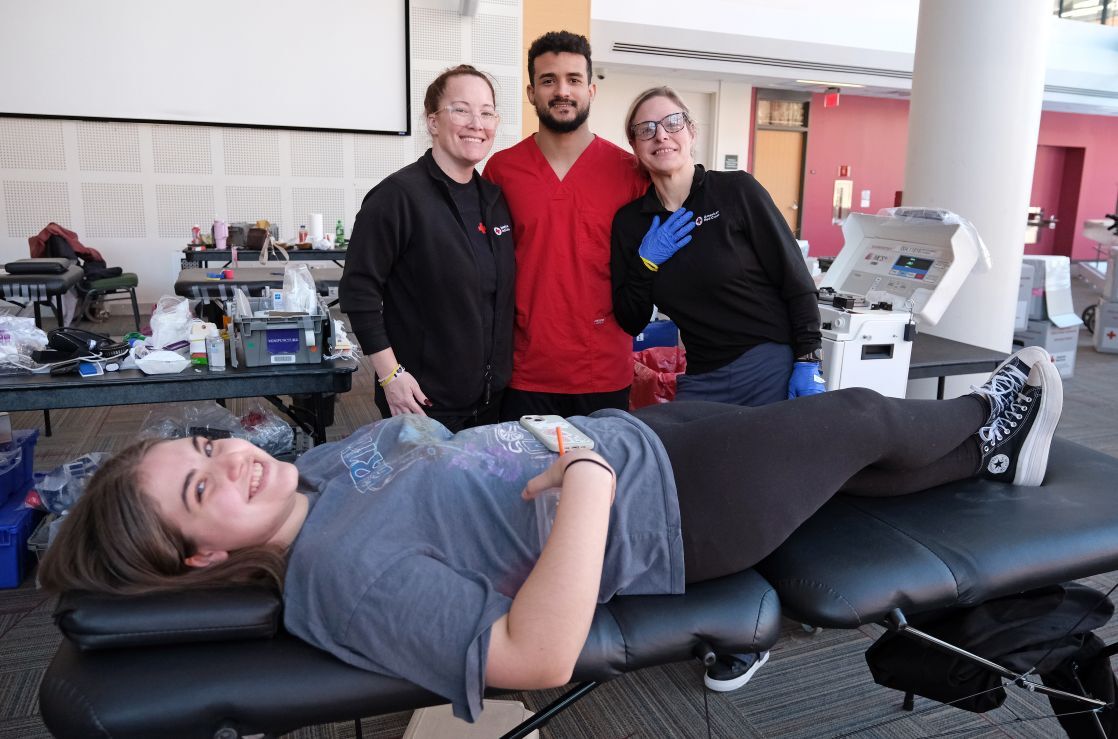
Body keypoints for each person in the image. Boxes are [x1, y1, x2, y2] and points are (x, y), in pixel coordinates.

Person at [39, 347, 1062, 722]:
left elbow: (435, 456)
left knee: (840, 472)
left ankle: (986, 460)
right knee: (856, 419)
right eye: (201, 491)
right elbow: (536, 653)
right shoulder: (339, 578)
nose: (231, 461)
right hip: (667, 509)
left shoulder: (309, 473)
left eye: (209, 448)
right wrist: (583, 479)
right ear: (202, 557)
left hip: (634, 442)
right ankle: (987, 418)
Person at [612, 86, 825, 407]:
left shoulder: (735, 192)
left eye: (673, 122)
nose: (661, 136)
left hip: (766, 364)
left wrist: (809, 359)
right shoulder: (632, 223)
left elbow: (795, 279)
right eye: (646, 129)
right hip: (700, 377)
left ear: (691, 131)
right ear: (634, 145)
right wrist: (645, 263)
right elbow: (631, 320)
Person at [339, 65, 515, 432]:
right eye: (461, 109)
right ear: (433, 122)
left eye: (486, 113)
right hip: (422, 401)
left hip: (490, 400)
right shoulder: (398, 197)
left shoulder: (494, 200)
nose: (476, 123)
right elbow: (358, 291)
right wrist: (390, 376)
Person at [483, 31, 648, 420]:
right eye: (548, 80)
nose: (562, 91)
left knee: (599, 479)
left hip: (603, 370)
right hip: (524, 371)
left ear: (591, 89)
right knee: (522, 481)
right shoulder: (501, 171)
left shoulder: (630, 173)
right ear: (531, 92)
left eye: (574, 80)